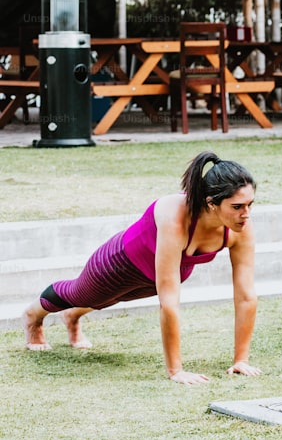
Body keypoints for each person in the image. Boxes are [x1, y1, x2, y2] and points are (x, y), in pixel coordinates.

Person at [22, 151, 261, 385]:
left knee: (108, 300)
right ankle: (33, 316)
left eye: (250, 204)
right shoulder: (176, 215)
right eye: (238, 206)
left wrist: (241, 360)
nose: (246, 214)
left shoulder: (240, 228)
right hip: (119, 263)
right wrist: (175, 371)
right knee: (79, 294)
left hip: (159, 273)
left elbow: (246, 296)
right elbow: (169, 303)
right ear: (211, 203)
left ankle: (72, 316)